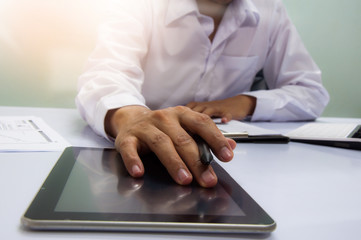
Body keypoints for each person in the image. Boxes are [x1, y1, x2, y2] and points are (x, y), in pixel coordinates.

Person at [76, 0, 329, 188]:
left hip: (236, 163)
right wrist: (131, 117)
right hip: (141, 151)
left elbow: (311, 92)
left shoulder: (269, 9)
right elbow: (105, 74)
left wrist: (245, 102)